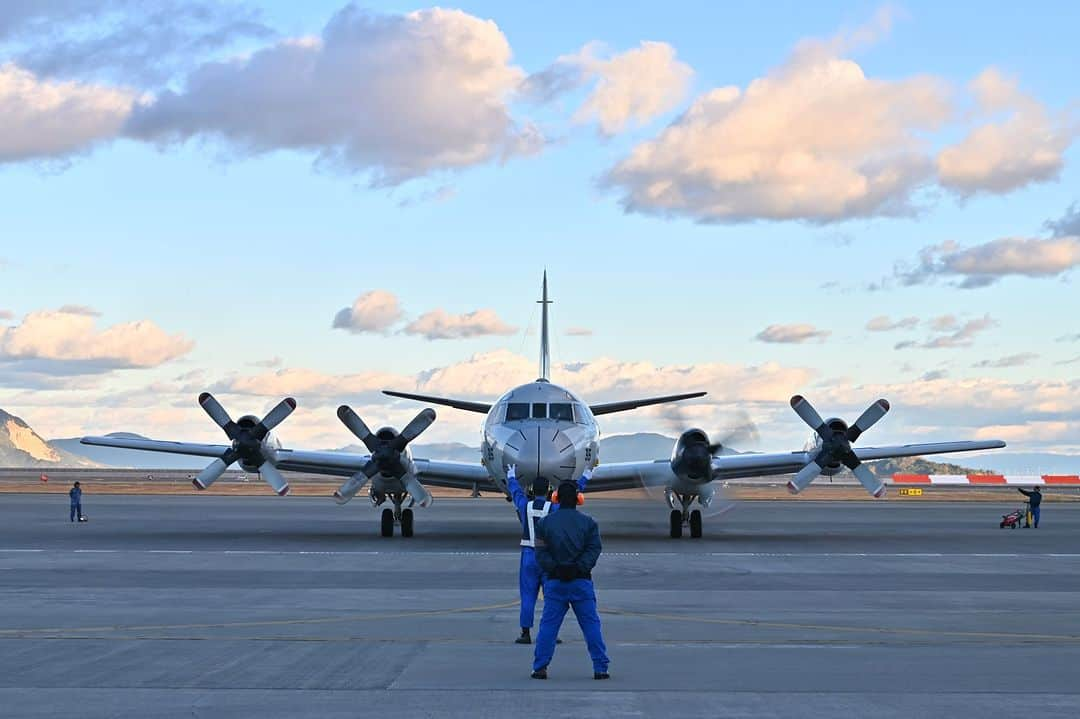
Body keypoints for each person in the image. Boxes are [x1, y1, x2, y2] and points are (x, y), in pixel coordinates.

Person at [530, 480, 610, 681]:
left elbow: (540, 552)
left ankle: (540, 667)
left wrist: (556, 568)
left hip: (555, 583)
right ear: (578, 499)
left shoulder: (544, 524)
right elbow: (594, 550)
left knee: (548, 627)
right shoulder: (589, 523)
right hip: (581, 582)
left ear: (555, 498)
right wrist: (578, 568)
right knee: (591, 626)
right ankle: (601, 668)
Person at [506, 463, 592, 644]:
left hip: (528, 554)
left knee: (527, 594)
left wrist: (512, 477)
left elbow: (516, 493)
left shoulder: (525, 506)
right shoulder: (552, 509)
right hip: (547, 555)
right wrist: (584, 478)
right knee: (552, 596)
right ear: (548, 492)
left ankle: (525, 633)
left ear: (532, 490)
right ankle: (551, 632)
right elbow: (570, 498)